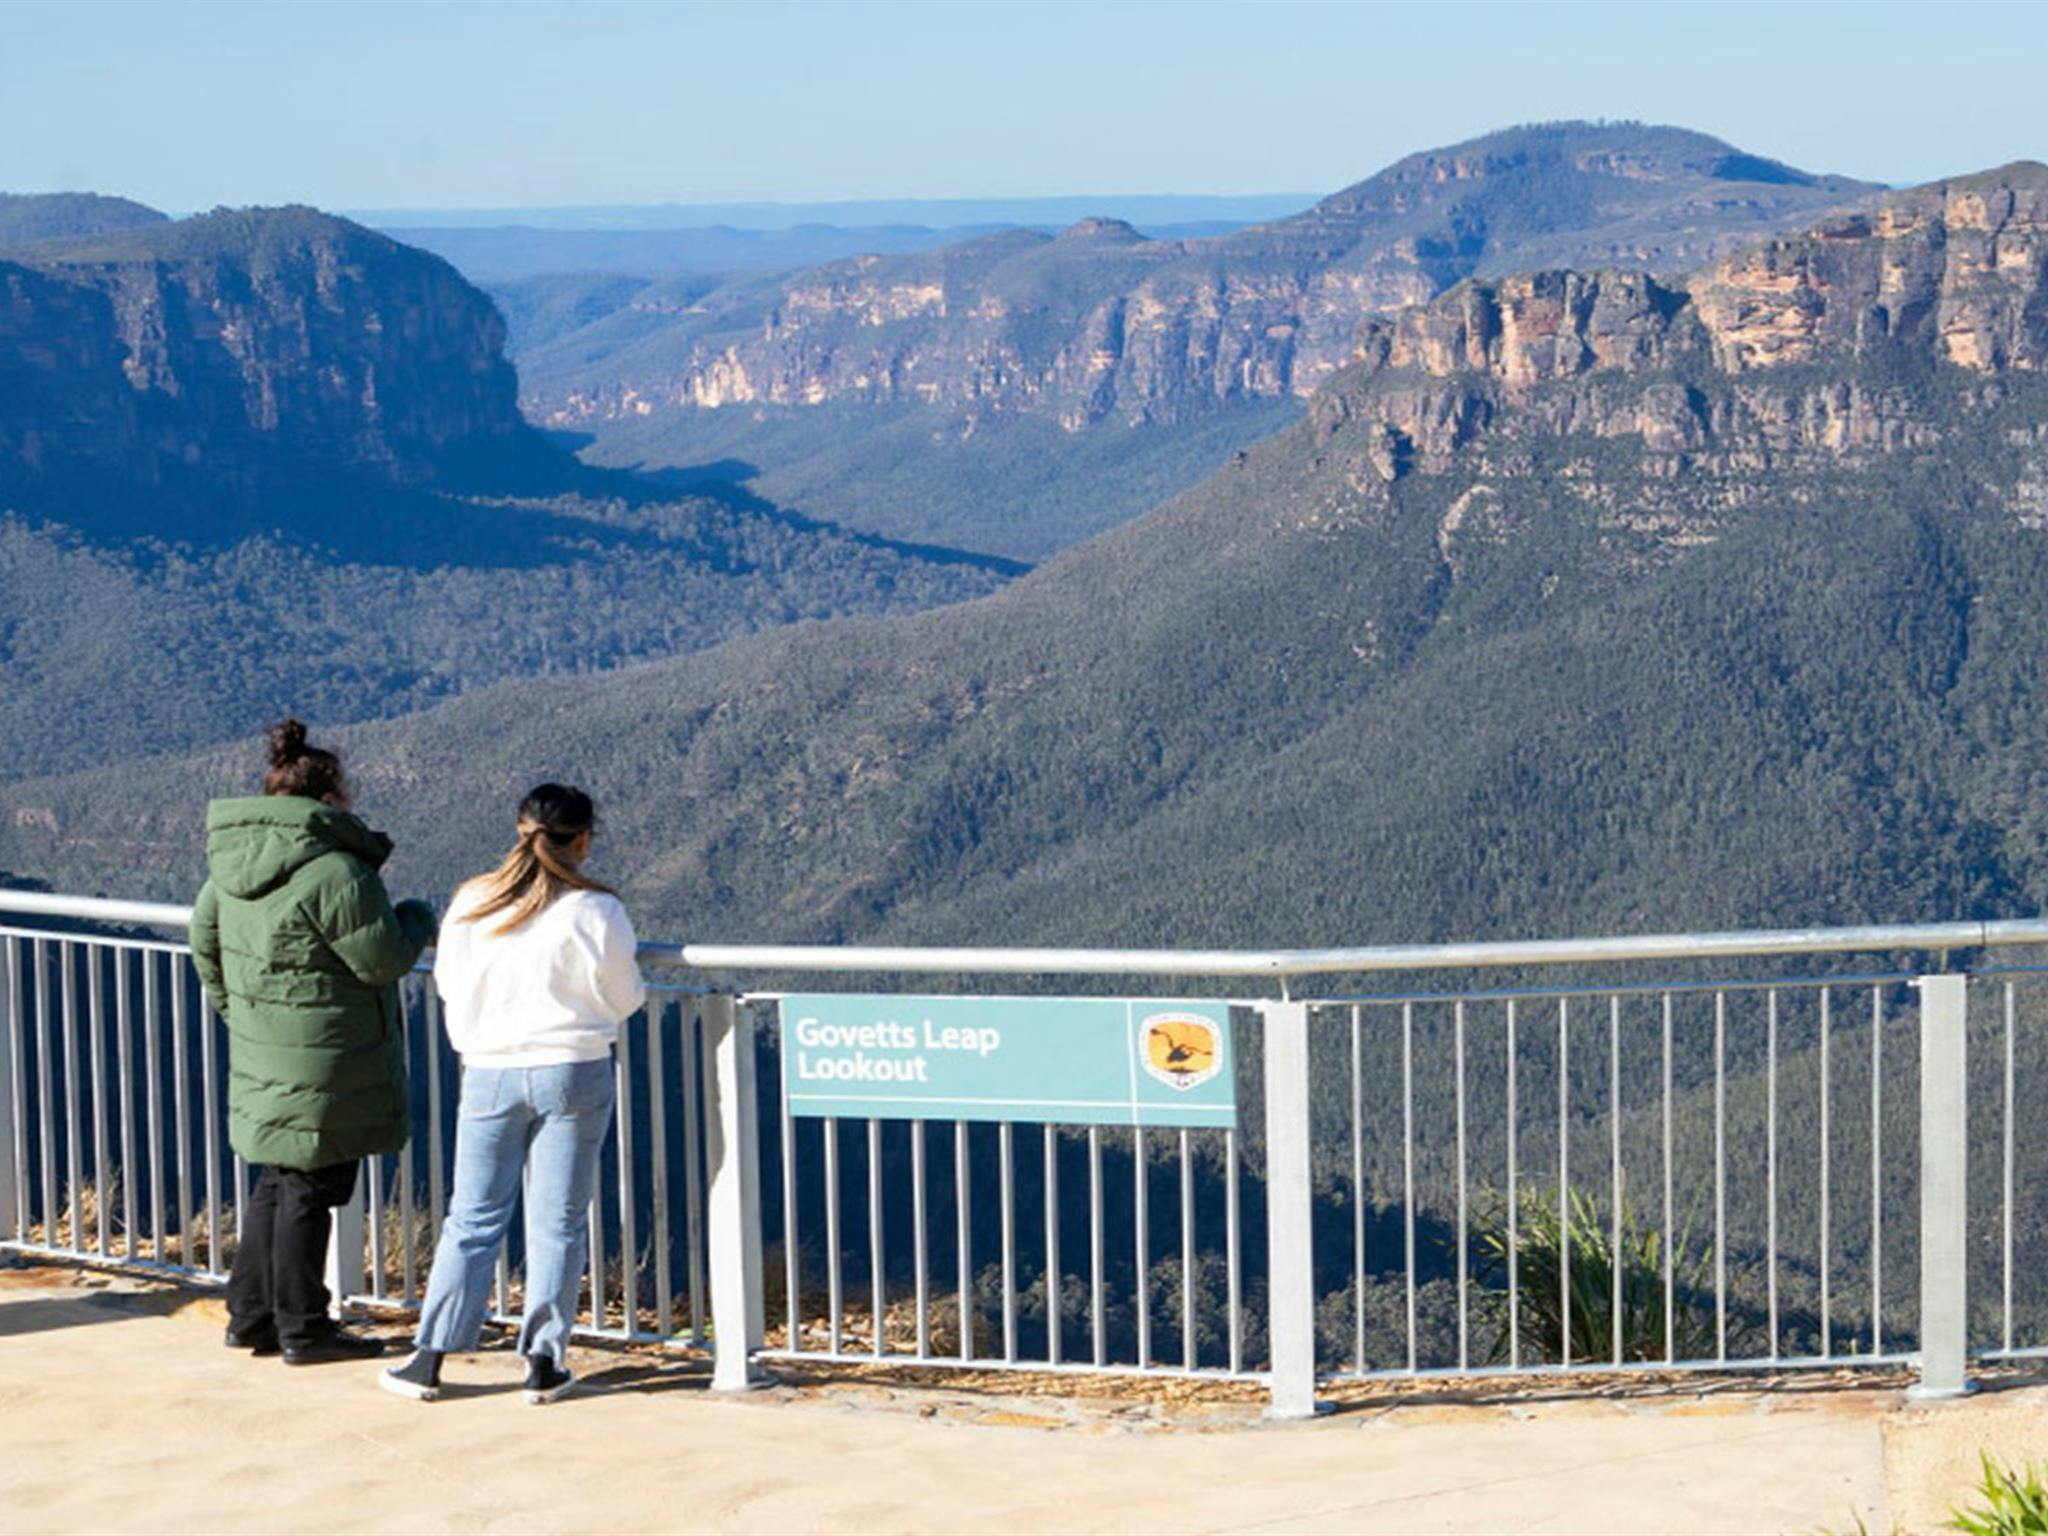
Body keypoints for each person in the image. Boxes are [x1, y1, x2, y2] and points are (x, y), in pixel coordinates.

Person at [381, 784, 644, 1406]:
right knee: (557, 1222)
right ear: (584, 839)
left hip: (491, 1070)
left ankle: (428, 1358)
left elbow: (449, 983)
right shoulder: (596, 910)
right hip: (574, 1068)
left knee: (472, 1217)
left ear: (519, 829)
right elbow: (626, 995)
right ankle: (544, 1363)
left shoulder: (473, 902)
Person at [191, 718, 436, 1365]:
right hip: (329, 1054)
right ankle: (304, 1326)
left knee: (279, 1179)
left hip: (263, 1047)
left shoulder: (229, 869)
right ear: (331, 797)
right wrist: (417, 916)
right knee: (311, 1188)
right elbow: (381, 959)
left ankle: (250, 1316)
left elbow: (205, 947)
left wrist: (244, 1014)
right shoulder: (336, 871)